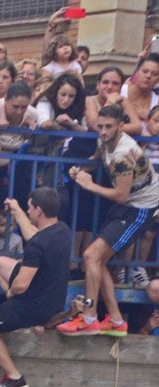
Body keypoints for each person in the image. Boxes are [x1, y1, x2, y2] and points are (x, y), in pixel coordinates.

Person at [58, 103, 159, 337]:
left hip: (139, 208)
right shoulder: (104, 139)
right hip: (128, 205)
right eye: (100, 126)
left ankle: (89, 317)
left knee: (91, 256)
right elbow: (97, 154)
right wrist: (81, 170)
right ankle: (115, 319)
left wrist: (89, 184)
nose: (103, 131)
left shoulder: (123, 155)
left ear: (120, 126)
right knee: (97, 259)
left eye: (108, 127)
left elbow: (121, 196)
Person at [0, 187, 73, 387]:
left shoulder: (37, 244)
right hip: (54, 298)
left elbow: (21, 285)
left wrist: (11, 292)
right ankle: (6, 318)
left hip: (33, 306)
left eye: (29, 208)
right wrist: (17, 211)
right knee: (1, 263)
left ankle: (13, 377)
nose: (28, 211)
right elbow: (37, 236)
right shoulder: (62, 231)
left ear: (38, 210)